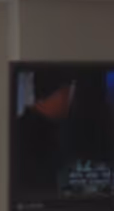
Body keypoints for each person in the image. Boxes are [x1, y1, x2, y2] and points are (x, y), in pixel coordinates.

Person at [12, 68, 75, 202]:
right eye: (68, 93)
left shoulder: (25, 125)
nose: (70, 101)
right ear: (58, 94)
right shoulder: (29, 133)